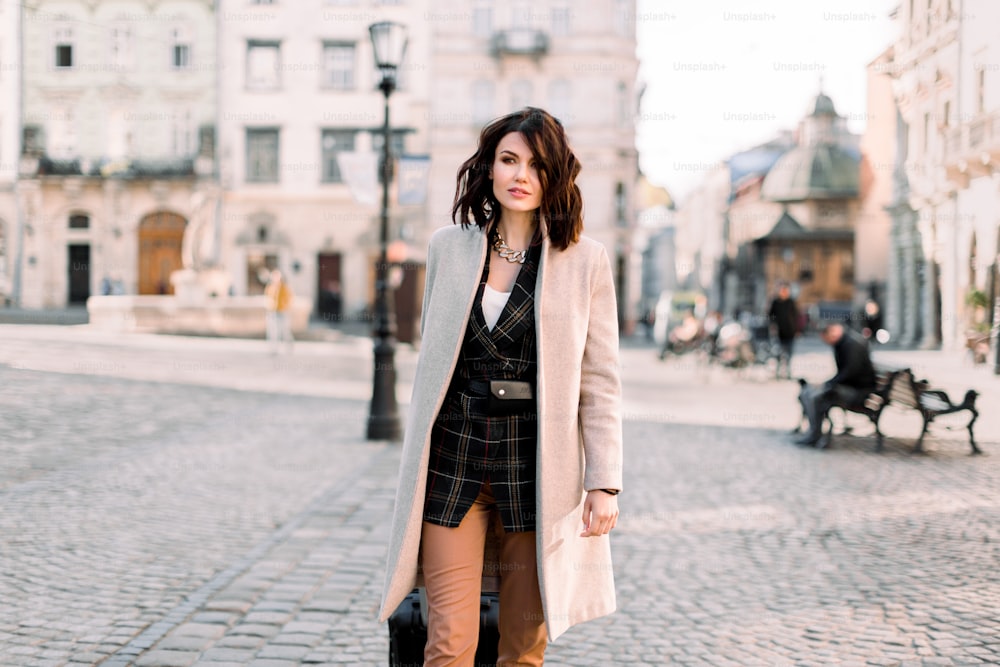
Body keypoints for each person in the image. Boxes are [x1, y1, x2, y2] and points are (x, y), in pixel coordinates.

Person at [378, 108, 623, 665]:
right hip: (453, 462)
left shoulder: (585, 261)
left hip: (539, 470)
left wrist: (605, 482)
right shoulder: (449, 247)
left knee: (523, 649)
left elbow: (601, 380)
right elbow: (435, 360)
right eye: (509, 159)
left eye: (536, 165)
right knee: (447, 644)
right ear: (489, 166)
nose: (520, 175)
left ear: (555, 176)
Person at [794, 321, 877, 447]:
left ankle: (814, 434)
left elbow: (850, 373)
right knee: (807, 391)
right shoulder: (843, 343)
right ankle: (813, 431)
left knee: (816, 396)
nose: (827, 342)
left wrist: (829, 384)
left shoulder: (851, 345)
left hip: (859, 392)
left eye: (826, 338)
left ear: (833, 332)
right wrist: (828, 384)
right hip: (849, 387)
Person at [767, 282, 799, 379]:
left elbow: (796, 317)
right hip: (778, 333)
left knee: (789, 354)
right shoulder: (775, 302)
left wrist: (797, 330)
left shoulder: (791, 302)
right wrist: (773, 325)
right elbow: (770, 316)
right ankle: (777, 372)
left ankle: (788, 373)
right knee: (778, 354)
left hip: (790, 332)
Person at [264, 269, 294, 354]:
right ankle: (273, 349)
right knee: (273, 331)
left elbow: (289, 299)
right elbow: (267, 298)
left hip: (282, 312)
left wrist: (285, 307)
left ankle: (289, 345)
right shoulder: (270, 287)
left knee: (285, 331)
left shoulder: (284, 287)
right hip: (272, 312)